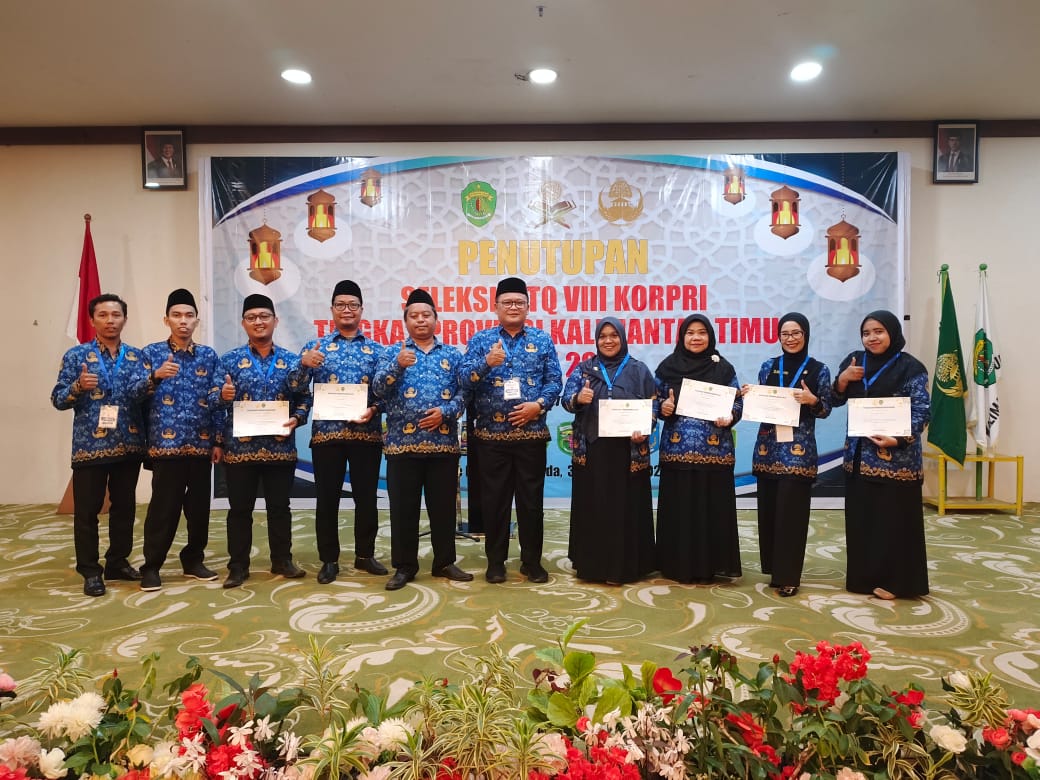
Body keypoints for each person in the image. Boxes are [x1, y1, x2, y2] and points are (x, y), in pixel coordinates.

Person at [461, 277, 563, 584]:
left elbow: (554, 381)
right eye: (507, 302)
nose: (513, 307)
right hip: (491, 437)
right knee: (495, 503)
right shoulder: (481, 340)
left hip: (531, 435)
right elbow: (464, 379)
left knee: (531, 503)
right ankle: (496, 562)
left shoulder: (542, 340)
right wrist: (486, 363)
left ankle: (531, 562)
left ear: (528, 307)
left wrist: (538, 405)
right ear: (496, 307)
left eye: (519, 302)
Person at [372, 289, 473, 590]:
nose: (420, 320)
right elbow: (377, 389)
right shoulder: (393, 352)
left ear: (436, 320)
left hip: (443, 445)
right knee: (403, 510)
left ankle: (444, 562)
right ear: (405, 321)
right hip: (402, 446)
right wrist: (397, 365)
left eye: (426, 315)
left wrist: (446, 412)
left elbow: (465, 393)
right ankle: (405, 566)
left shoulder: (452, 354)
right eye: (414, 316)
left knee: (443, 508)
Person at [51, 293, 150, 596]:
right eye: (103, 315)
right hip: (89, 447)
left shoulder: (137, 357)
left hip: (129, 444)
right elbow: (58, 399)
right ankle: (91, 571)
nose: (110, 321)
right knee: (87, 512)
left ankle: (117, 562)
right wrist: (78, 386)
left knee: (124, 508)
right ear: (92, 320)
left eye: (116, 315)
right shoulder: (76, 356)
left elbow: (145, 399)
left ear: (124, 319)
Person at [831, 310, 930, 600]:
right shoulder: (854, 361)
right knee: (863, 521)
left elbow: (922, 411)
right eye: (866, 333)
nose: (871, 338)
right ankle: (864, 579)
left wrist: (896, 439)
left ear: (892, 333)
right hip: (859, 458)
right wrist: (843, 380)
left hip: (896, 461)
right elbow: (834, 399)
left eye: (878, 331)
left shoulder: (910, 367)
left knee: (894, 522)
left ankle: (898, 583)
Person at [217, 294, 312, 588]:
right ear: (243, 323)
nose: (258, 322)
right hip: (240, 450)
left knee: (279, 508)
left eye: (264, 316)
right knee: (239, 510)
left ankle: (282, 560)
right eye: (252, 317)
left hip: (279, 448)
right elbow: (213, 402)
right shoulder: (229, 360)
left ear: (275, 321)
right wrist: (221, 397)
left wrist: (297, 418)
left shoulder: (292, 361)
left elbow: (304, 397)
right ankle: (238, 566)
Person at [298, 279, 387, 584]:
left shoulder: (377, 350)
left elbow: (385, 392)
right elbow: (296, 388)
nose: (347, 310)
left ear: (361, 309)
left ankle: (365, 555)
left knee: (367, 499)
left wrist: (374, 409)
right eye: (341, 305)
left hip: (366, 435)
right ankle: (329, 560)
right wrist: (303, 365)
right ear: (332, 309)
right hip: (327, 436)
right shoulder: (315, 348)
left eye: (352, 305)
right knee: (327, 500)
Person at [138, 289, 223, 591]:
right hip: (166, 447)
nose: (183, 321)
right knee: (164, 509)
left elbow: (217, 401)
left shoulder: (209, 356)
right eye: (177, 315)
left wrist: (218, 440)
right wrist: (155, 377)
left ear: (197, 321)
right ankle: (151, 566)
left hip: (201, 445)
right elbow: (134, 394)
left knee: (199, 510)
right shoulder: (150, 354)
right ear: (167, 320)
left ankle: (193, 560)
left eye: (189, 316)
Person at [743, 313, 832, 598]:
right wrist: (749, 396)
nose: (790, 339)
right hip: (768, 449)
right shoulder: (768, 366)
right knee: (769, 512)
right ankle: (775, 570)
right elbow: (760, 404)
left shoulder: (819, 369)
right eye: (785, 334)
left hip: (798, 452)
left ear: (805, 335)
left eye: (796, 333)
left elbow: (826, 409)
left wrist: (813, 400)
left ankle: (789, 576)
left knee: (791, 516)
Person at [561, 318, 656, 584]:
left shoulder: (638, 370)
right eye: (603, 336)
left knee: (626, 509)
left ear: (622, 338)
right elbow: (566, 401)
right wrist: (578, 399)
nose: (608, 341)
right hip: (594, 451)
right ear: (596, 340)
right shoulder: (584, 370)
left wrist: (645, 427)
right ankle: (593, 567)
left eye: (614, 335)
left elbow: (654, 405)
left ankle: (627, 567)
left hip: (628, 452)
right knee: (595, 507)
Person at [654, 314, 743, 584]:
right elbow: (654, 402)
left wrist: (730, 416)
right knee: (680, 511)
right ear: (682, 337)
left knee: (711, 510)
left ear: (710, 336)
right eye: (690, 332)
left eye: (702, 332)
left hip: (714, 454)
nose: (696, 337)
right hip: (677, 452)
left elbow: (738, 402)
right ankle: (676, 565)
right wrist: (663, 407)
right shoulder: (667, 367)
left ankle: (710, 567)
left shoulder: (723, 368)